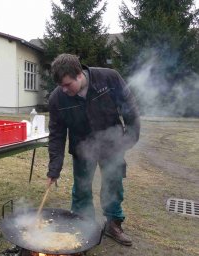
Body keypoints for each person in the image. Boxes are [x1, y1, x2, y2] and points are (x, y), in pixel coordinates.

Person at [46, 54, 140, 246]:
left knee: (113, 184)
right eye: (60, 86)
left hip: (111, 143)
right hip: (82, 148)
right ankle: (83, 225)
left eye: (67, 84)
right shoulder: (57, 98)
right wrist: (54, 169)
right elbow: (56, 135)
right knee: (81, 188)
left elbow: (130, 109)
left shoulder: (109, 78)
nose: (63, 90)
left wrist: (127, 140)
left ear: (79, 74)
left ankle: (113, 223)